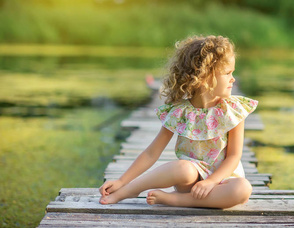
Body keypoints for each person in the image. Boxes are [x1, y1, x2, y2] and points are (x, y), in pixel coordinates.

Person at [98, 35, 258, 209]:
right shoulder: (181, 112)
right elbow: (152, 152)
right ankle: (130, 190)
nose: (233, 79)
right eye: (227, 73)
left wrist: (211, 182)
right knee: (183, 169)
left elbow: (234, 156)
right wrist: (122, 181)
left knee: (243, 189)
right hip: (190, 180)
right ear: (204, 77)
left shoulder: (232, 110)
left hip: (223, 180)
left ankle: (174, 200)